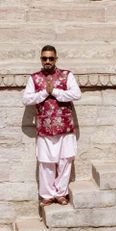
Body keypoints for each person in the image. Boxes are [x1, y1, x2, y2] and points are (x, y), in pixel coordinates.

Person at [22, 45, 81, 207]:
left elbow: (76, 94)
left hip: (65, 126)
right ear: (41, 59)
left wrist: (54, 91)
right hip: (44, 127)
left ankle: (61, 193)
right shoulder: (34, 78)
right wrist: (43, 93)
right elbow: (26, 99)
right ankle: (47, 195)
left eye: (50, 58)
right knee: (46, 162)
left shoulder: (67, 75)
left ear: (56, 59)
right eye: (44, 58)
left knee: (65, 161)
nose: (47, 61)